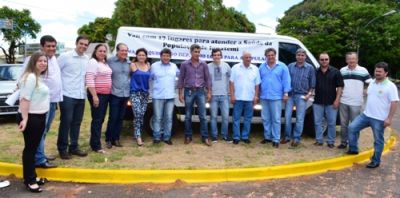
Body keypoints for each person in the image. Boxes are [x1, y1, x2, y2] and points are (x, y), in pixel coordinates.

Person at [347, 62, 398, 168]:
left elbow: (394, 102)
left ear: (386, 73)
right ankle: (353, 149)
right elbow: (370, 94)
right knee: (352, 128)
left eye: (380, 71)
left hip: (379, 119)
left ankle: (376, 161)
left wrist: (389, 118)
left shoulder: (391, 86)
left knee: (378, 140)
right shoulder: (372, 83)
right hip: (366, 115)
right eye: (376, 71)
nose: (377, 73)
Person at [22, 35, 61, 168]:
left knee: (45, 130)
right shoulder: (32, 60)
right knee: (40, 131)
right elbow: (23, 78)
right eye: (48, 46)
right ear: (42, 46)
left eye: (53, 46)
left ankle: (40, 153)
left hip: (52, 101)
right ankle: (39, 159)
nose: (51, 48)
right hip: (39, 104)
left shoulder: (54, 59)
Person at [17, 52, 49, 193]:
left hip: (39, 116)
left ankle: (32, 176)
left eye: (45, 61)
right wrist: (25, 119)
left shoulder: (37, 77)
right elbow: (25, 99)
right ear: (33, 62)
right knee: (30, 150)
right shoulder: (30, 77)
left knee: (33, 149)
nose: (43, 63)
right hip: (31, 117)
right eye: (40, 61)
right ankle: (29, 181)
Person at [57, 35, 90, 159]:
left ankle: (74, 147)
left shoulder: (87, 58)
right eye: (81, 43)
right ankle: (62, 149)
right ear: (76, 43)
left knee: (77, 123)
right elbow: (56, 72)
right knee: (66, 122)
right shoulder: (65, 56)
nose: (83, 46)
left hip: (81, 95)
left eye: (86, 44)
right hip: (67, 95)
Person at [178, 44, 212, 146]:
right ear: (191, 52)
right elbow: (181, 79)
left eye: (198, 52)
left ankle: (205, 137)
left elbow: (208, 79)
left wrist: (209, 92)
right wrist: (180, 93)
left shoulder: (204, 64)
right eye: (195, 52)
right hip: (188, 91)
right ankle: (188, 136)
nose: (197, 53)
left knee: (203, 116)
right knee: (188, 116)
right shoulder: (184, 64)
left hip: (201, 92)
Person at [338, 52, 371, 149]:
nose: (351, 61)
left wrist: (366, 90)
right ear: (346, 60)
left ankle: (354, 144)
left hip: (356, 103)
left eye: (353, 59)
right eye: (349, 59)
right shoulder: (342, 70)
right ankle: (343, 142)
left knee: (355, 125)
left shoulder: (363, 70)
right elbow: (338, 84)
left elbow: (371, 83)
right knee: (343, 124)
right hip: (343, 101)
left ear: (357, 60)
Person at [259, 48, 291, 148]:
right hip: (264, 96)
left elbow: (286, 80)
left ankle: (276, 139)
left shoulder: (282, 66)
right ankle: (267, 137)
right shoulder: (262, 66)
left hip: (276, 96)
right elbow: (258, 81)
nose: (270, 57)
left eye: (272, 55)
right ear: (266, 56)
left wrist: (286, 93)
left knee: (276, 119)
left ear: (275, 55)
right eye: (268, 55)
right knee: (265, 118)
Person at [284, 48, 316, 148]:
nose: (300, 57)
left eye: (302, 55)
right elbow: (286, 80)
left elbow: (313, 84)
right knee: (287, 116)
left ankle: (296, 138)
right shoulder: (290, 66)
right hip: (290, 94)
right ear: (296, 56)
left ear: (305, 57)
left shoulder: (310, 68)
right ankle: (287, 137)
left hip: (302, 95)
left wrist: (309, 94)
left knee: (300, 118)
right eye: (298, 55)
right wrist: (285, 93)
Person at [313, 53, 344, 148]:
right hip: (317, 102)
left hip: (331, 102)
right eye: (322, 59)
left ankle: (330, 141)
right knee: (317, 122)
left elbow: (340, 87)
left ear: (329, 60)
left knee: (331, 123)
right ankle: (319, 140)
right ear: (319, 60)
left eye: (326, 59)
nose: (324, 61)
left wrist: (337, 100)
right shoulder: (315, 72)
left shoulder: (336, 71)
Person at [86, 44, 112, 153]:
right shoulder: (93, 62)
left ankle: (95, 142)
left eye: (104, 51)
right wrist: (95, 96)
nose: (102, 53)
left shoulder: (104, 63)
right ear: (95, 52)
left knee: (100, 119)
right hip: (98, 95)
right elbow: (89, 79)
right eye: (100, 51)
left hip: (105, 95)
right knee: (97, 120)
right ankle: (96, 146)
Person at [230, 51, 261, 145]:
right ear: (242, 58)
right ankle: (236, 137)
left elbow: (257, 84)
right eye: (246, 57)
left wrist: (256, 96)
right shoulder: (235, 68)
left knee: (248, 118)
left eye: (249, 57)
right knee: (236, 118)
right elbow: (231, 83)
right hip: (238, 98)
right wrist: (232, 95)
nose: (248, 59)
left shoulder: (255, 69)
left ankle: (245, 137)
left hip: (250, 99)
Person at [151, 48, 179, 145]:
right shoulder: (154, 66)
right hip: (158, 96)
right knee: (157, 118)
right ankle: (157, 137)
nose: (166, 57)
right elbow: (149, 79)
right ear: (161, 56)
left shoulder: (174, 66)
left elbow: (180, 77)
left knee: (169, 118)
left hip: (170, 96)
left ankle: (167, 137)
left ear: (170, 57)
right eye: (164, 55)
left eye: (168, 56)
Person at [105, 43, 130, 149]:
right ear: (117, 51)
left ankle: (116, 139)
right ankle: (108, 139)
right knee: (113, 117)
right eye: (122, 50)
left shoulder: (129, 63)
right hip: (114, 94)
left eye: (126, 50)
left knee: (120, 118)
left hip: (126, 94)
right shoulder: (110, 61)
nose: (124, 52)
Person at [207, 48, 231, 143]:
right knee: (213, 117)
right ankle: (214, 136)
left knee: (225, 117)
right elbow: (206, 81)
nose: (216, 56)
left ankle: (225, 135)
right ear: (212, 56)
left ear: (221, 56)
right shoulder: (208, 66)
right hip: (213, 95)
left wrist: (229, 91)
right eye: (215, 55)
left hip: (224, 95)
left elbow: (230, 78)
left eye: (218, 55)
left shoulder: (226, 66)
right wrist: (208, 92)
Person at [130, 48, 151, 146]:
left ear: (146, 56)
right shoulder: (133, 65)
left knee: (141, 114)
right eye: (140, 55)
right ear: (136, 56)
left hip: (145, 93)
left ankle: (137, 132)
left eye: (143, 55)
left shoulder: (148, 65)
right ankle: (138, 136)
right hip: (135, 93)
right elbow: (127, 77)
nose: (141, 57)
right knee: (137, 113)